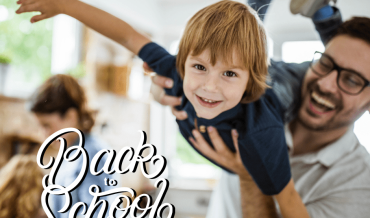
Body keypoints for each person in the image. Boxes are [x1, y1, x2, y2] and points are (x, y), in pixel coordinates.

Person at [16, 0, 310, 216]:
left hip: (283, 88)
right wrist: (66, 6)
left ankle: (321, 19)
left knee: (308, 72)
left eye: (229, 73)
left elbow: (288, 199)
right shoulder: (174, 71)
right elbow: (127, 36)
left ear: (248, 80)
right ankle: (257, 9)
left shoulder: (260, 133)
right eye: (199, 67)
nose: (209, 86)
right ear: (183, 62)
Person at [152, 0, 370, 217]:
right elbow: (209, 70)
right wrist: (171, 83)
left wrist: (249, 175)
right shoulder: (267, 95)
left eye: (351, 81)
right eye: (325, 63)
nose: (325, 84)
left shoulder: (360, 186)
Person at [28, 74, 117, 218]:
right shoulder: (70, 153)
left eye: (47, 125)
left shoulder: (91, 155)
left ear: (71, 116)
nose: (44, 134)